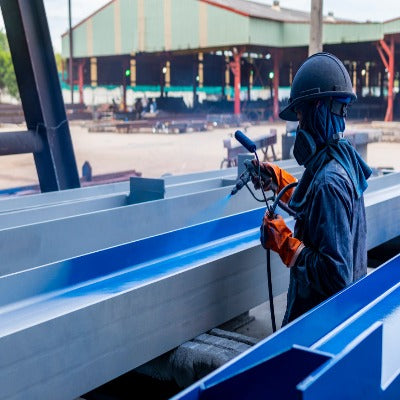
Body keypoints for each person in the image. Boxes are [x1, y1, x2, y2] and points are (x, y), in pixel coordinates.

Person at [253, 52, 372, 326]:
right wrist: (278, 181)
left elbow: (335, 275)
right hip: (341, 317)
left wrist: (286, 246)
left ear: (317, 109)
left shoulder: (328, 182)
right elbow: (320, 214)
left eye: (300, 116)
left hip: (320, 324)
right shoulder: (341, 159)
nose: (298, 128)